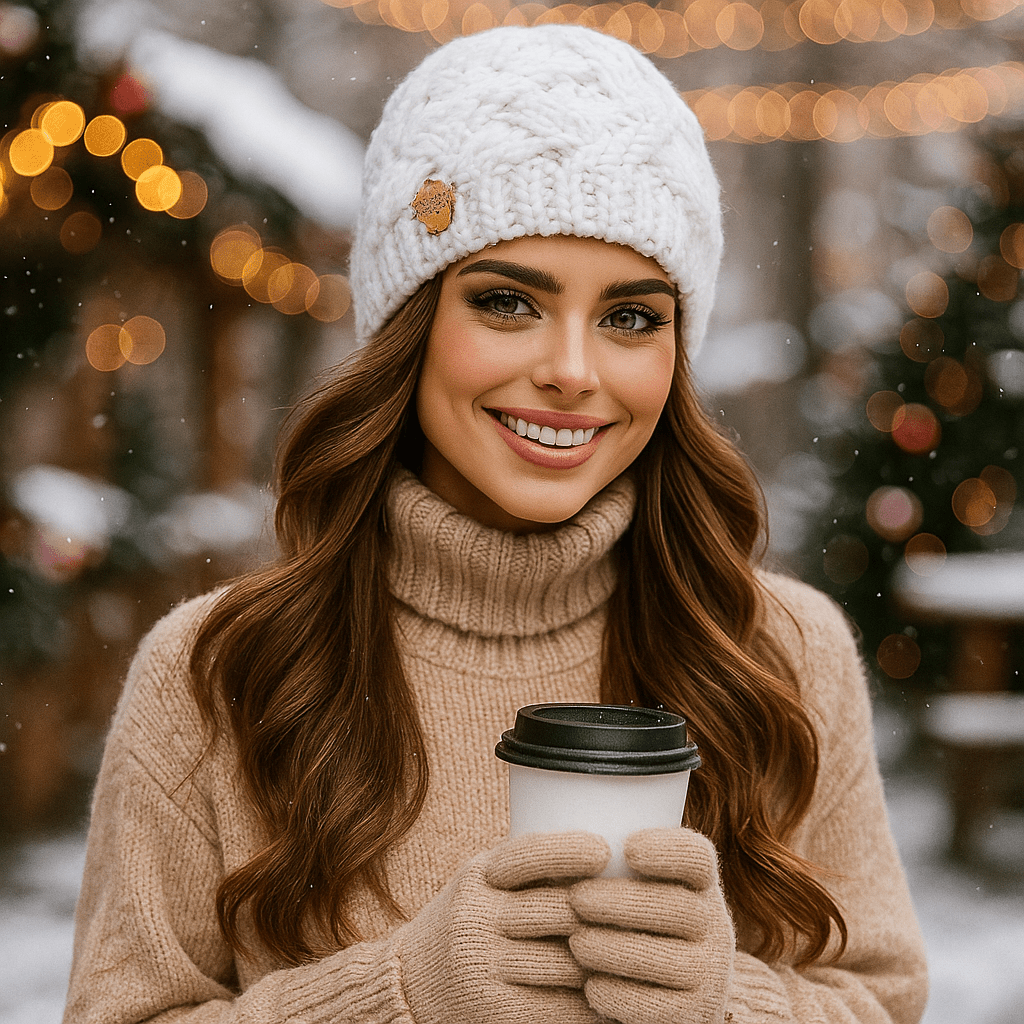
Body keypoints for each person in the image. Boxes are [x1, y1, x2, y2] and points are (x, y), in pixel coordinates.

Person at [64, 23, 929, 1024]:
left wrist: (728, 1002)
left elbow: (877, 1000)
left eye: (631, 316)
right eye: (509, 300)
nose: (572, 368)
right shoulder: (216, 674)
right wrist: (399, 991)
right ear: (410, 326)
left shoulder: (780, 655)